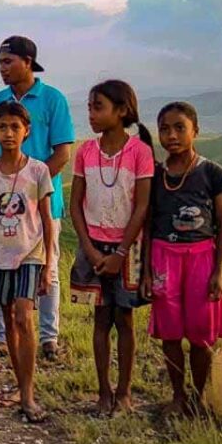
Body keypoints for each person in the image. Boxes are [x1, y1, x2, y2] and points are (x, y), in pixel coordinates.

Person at [0, 36, 74, 361]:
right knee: (1, 259)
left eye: (8, 62)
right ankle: (4, 337)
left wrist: (30, 187)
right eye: (0, 62)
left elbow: (62, 152)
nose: (2, 69)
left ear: (28, 61)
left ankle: (48, 336)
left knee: (48, 264)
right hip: (3, 204)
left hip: (44, 200)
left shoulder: (52, 99)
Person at [143, 102, 222, 418]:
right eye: (165, 129)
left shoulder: (213, 173)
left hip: (201, 259)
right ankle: (178, 395)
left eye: (180, 127)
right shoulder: (154, 175)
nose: (171, 135)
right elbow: (147, 222)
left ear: (196, 130)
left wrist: (218, 272)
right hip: (162, 258)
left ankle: (199, 394)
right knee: (169, 333)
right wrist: (144, 271)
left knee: (200, 333)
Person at [69, 81, 154, 415]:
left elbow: (142, 207)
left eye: (98, 107)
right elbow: (76, 204)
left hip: (127, 247)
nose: (91, 114)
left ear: (122, 111)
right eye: (89, 107)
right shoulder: (86, 151)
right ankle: (103, 391)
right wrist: (91, 252)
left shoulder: (140, 152)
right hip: (93, 245)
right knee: (100, 318)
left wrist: (119, 254)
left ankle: (124, 392)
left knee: (125, 319)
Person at [0, 102, 55, 422]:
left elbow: (47, 220)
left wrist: (48, 265)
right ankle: (20, 385)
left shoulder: (38, 170)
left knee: (24, 315)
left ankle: (28, 394)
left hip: (30, 253)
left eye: (15, 127)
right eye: (2, 127)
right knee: (8, 319)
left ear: (26, 131)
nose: (9, 133)